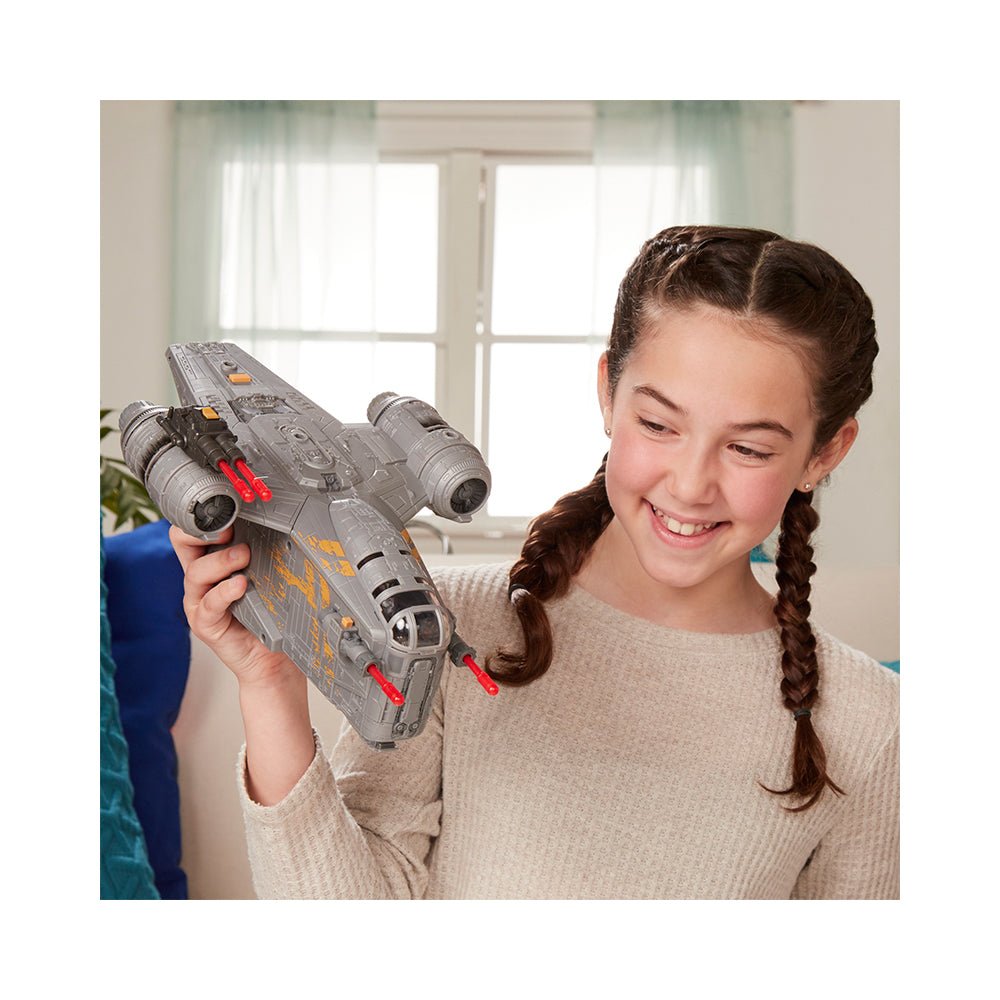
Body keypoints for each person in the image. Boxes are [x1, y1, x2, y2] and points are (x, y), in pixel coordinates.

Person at [171, 225, 899, 899]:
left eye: (747, 448)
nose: (689, 484)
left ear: (825, 452)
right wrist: (270, 680)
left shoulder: (872, 723)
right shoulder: (446, 626)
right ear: (608, 392)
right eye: (657, 424)